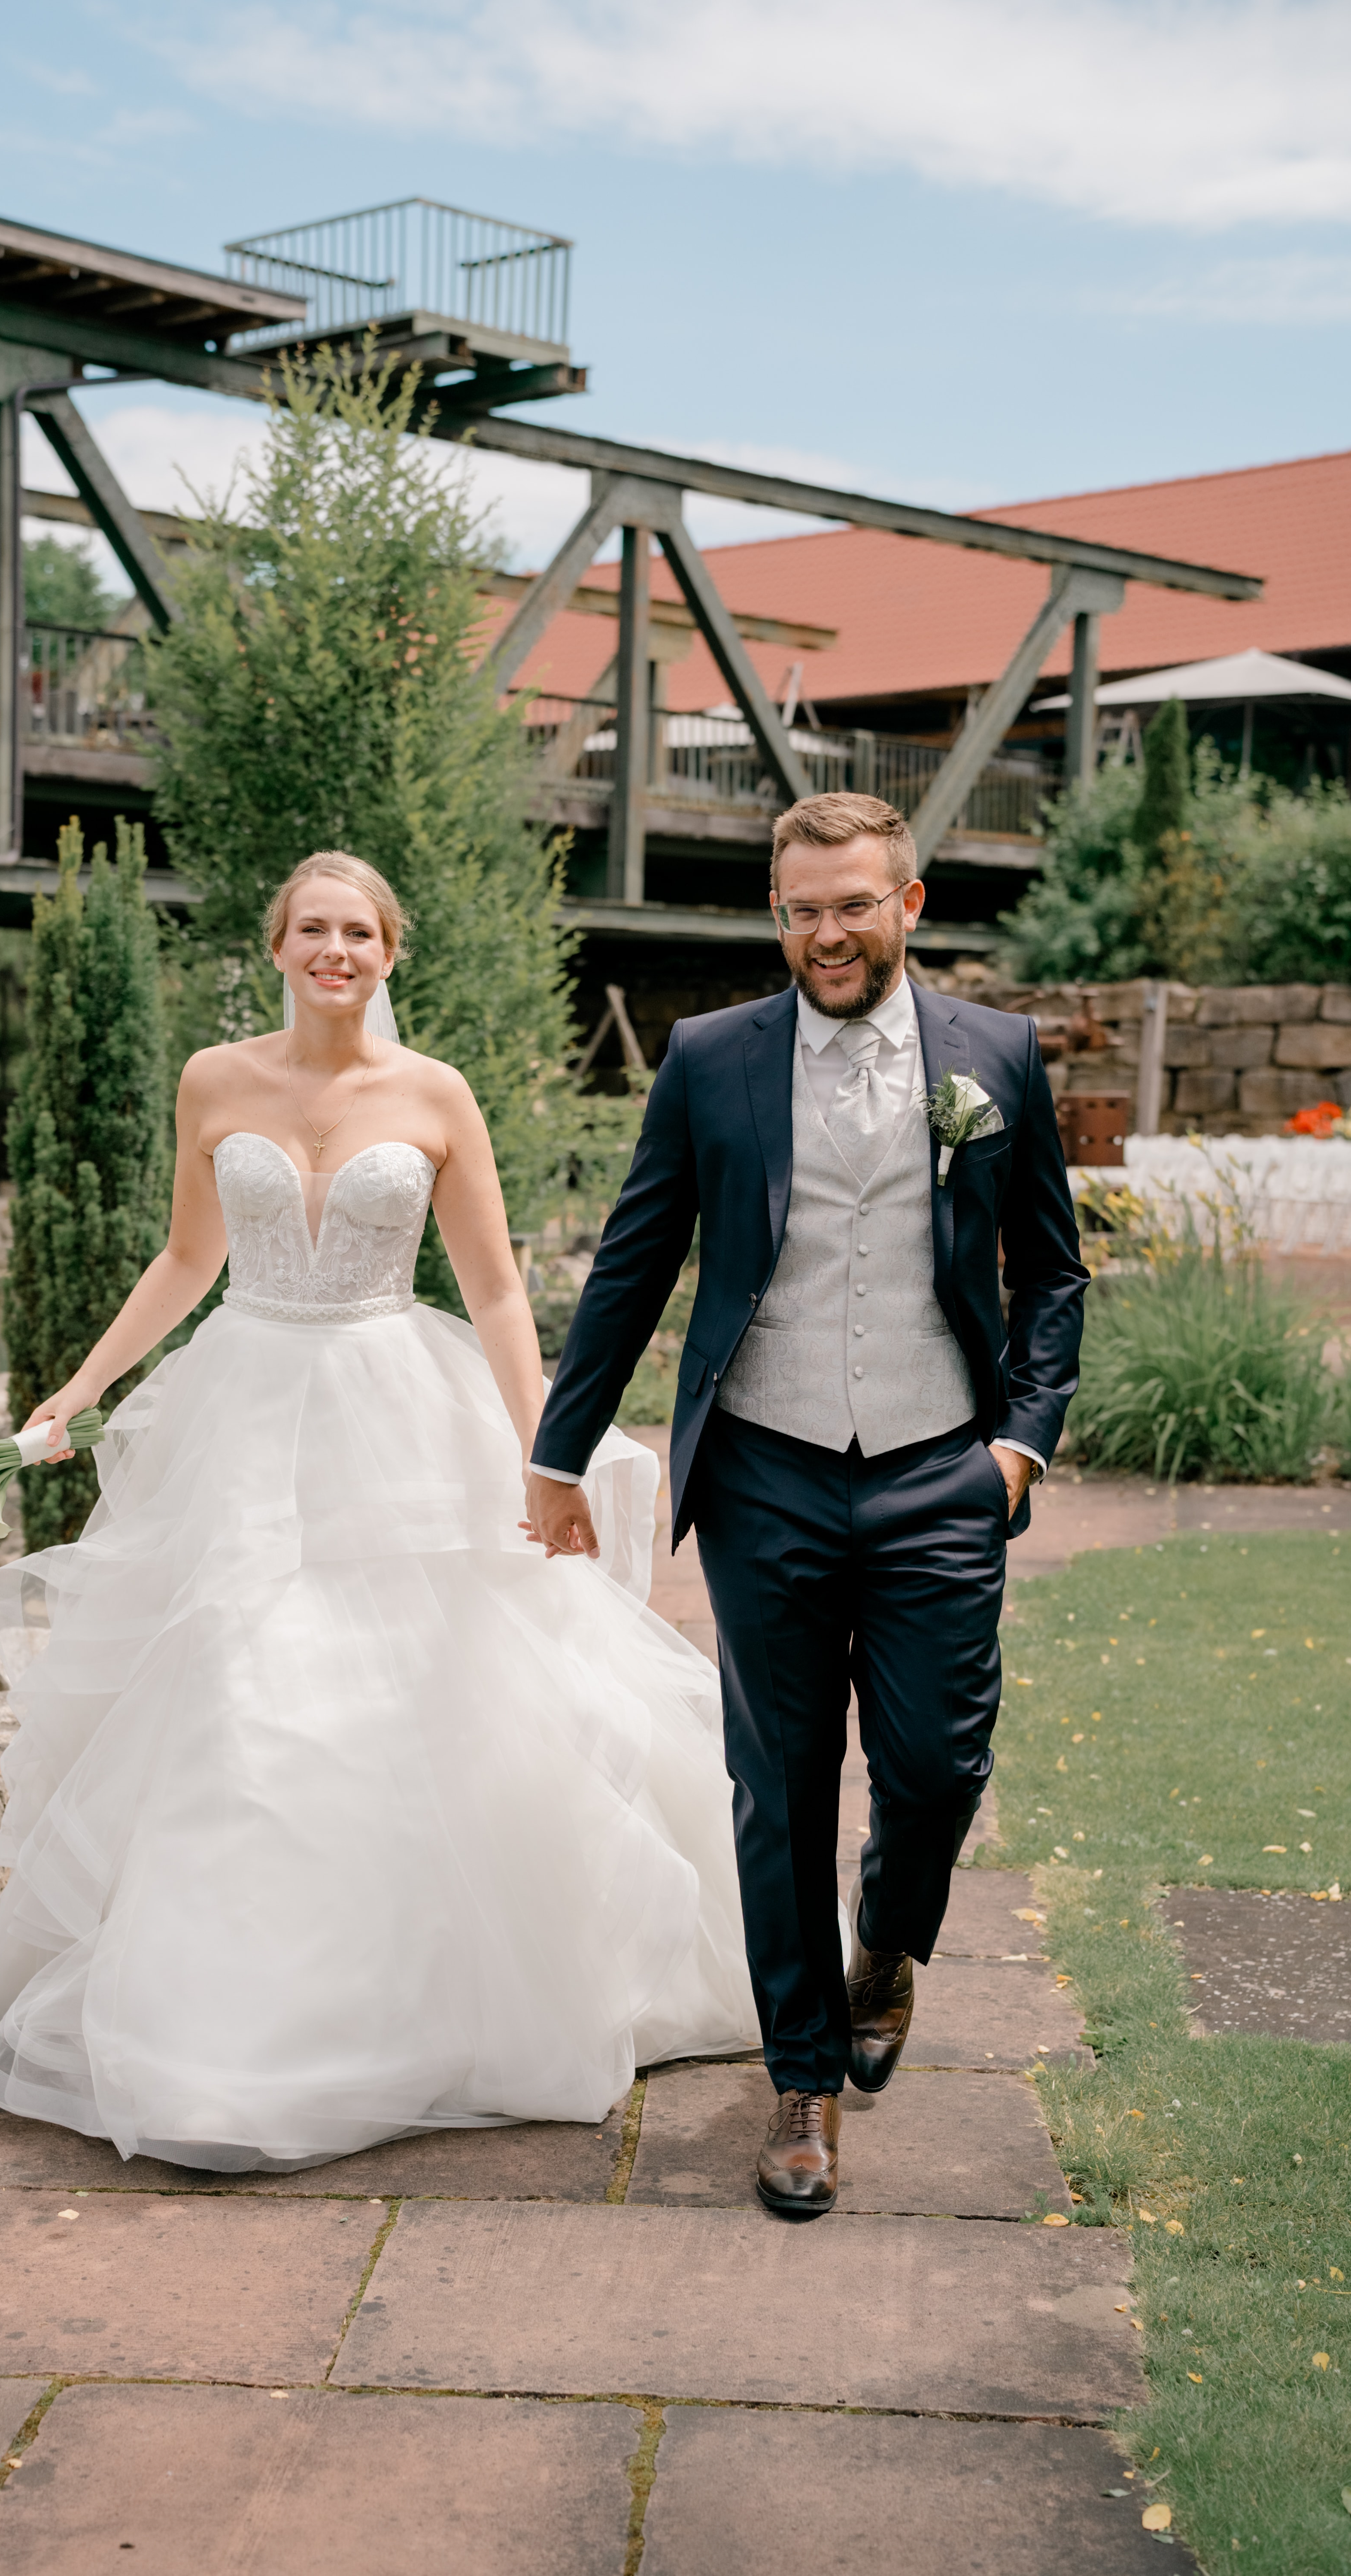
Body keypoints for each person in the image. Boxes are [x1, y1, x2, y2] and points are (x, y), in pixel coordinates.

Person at [0, 850, 762, 2171]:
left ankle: (436, 1997)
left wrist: (547, 1453)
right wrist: (83, 1386)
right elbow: (187, 1259)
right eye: (312, 930)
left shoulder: (435, 1095)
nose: (335, 951)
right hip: (245, 1413)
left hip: (400, 1414)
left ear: (389, 954)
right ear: (276, 946)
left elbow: (499, 1293)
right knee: (241, 1693)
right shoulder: (215, 1081)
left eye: (359, 934)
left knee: (431, 1696)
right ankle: (224, 2035)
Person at [524, 792, 1087, 2215]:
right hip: (767, 1467)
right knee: (778, 1791)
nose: (825, 934)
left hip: (938, 1468)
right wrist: (557, 1452)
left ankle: (888, 1946)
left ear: (909, 903)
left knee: (939, 1767)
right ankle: (802, 2083)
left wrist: (1017, 1449)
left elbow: (1053, 1272)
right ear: (775, 913)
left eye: (851, 905)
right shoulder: (712, 1057)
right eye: (799, 910)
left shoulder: (996, 1057)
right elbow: (636, 1262)